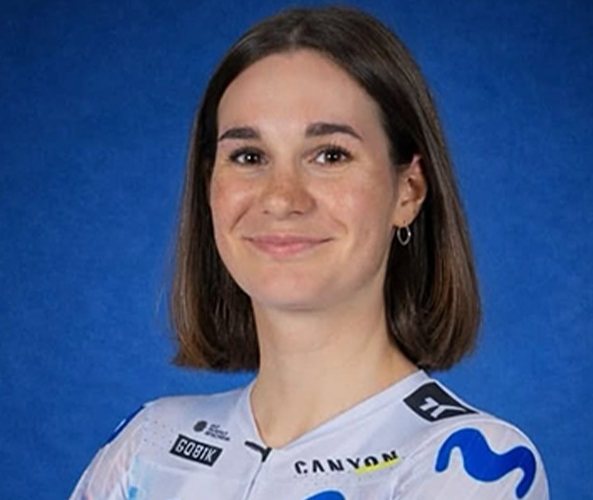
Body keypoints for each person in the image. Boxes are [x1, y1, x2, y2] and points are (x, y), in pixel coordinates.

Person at [69, 6, 548, 499]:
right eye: (248, 156)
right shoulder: (150, 445)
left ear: (408, 191)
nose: (281, 198)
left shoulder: (464, 463)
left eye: (330, 155)